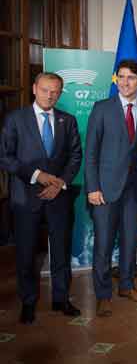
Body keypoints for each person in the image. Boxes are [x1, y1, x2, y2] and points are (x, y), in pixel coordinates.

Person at [0, 72, 82, 323]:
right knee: (26, 252)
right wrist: (37, 175)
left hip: (58, 197)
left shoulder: (67, 121)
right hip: (26, 198)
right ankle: (28, 301)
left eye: (56, 91)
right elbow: (5, 157)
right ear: (35, 89)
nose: (50, 95)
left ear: (60, 92)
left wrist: (60, 183)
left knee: (61, 249)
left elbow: (75, 156)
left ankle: (60, 298)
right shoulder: (15, 119)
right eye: (46, 90)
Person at [85, 59, 137, 317]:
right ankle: (103, 294)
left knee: (129, 241)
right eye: (121, 77)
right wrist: (93, 187)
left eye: (131, 78)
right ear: (116, 80)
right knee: (103, 243)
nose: (126, 82)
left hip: (134, 189)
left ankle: (127, 285)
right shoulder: (102, 108)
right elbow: (91, 152)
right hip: (104, 189)